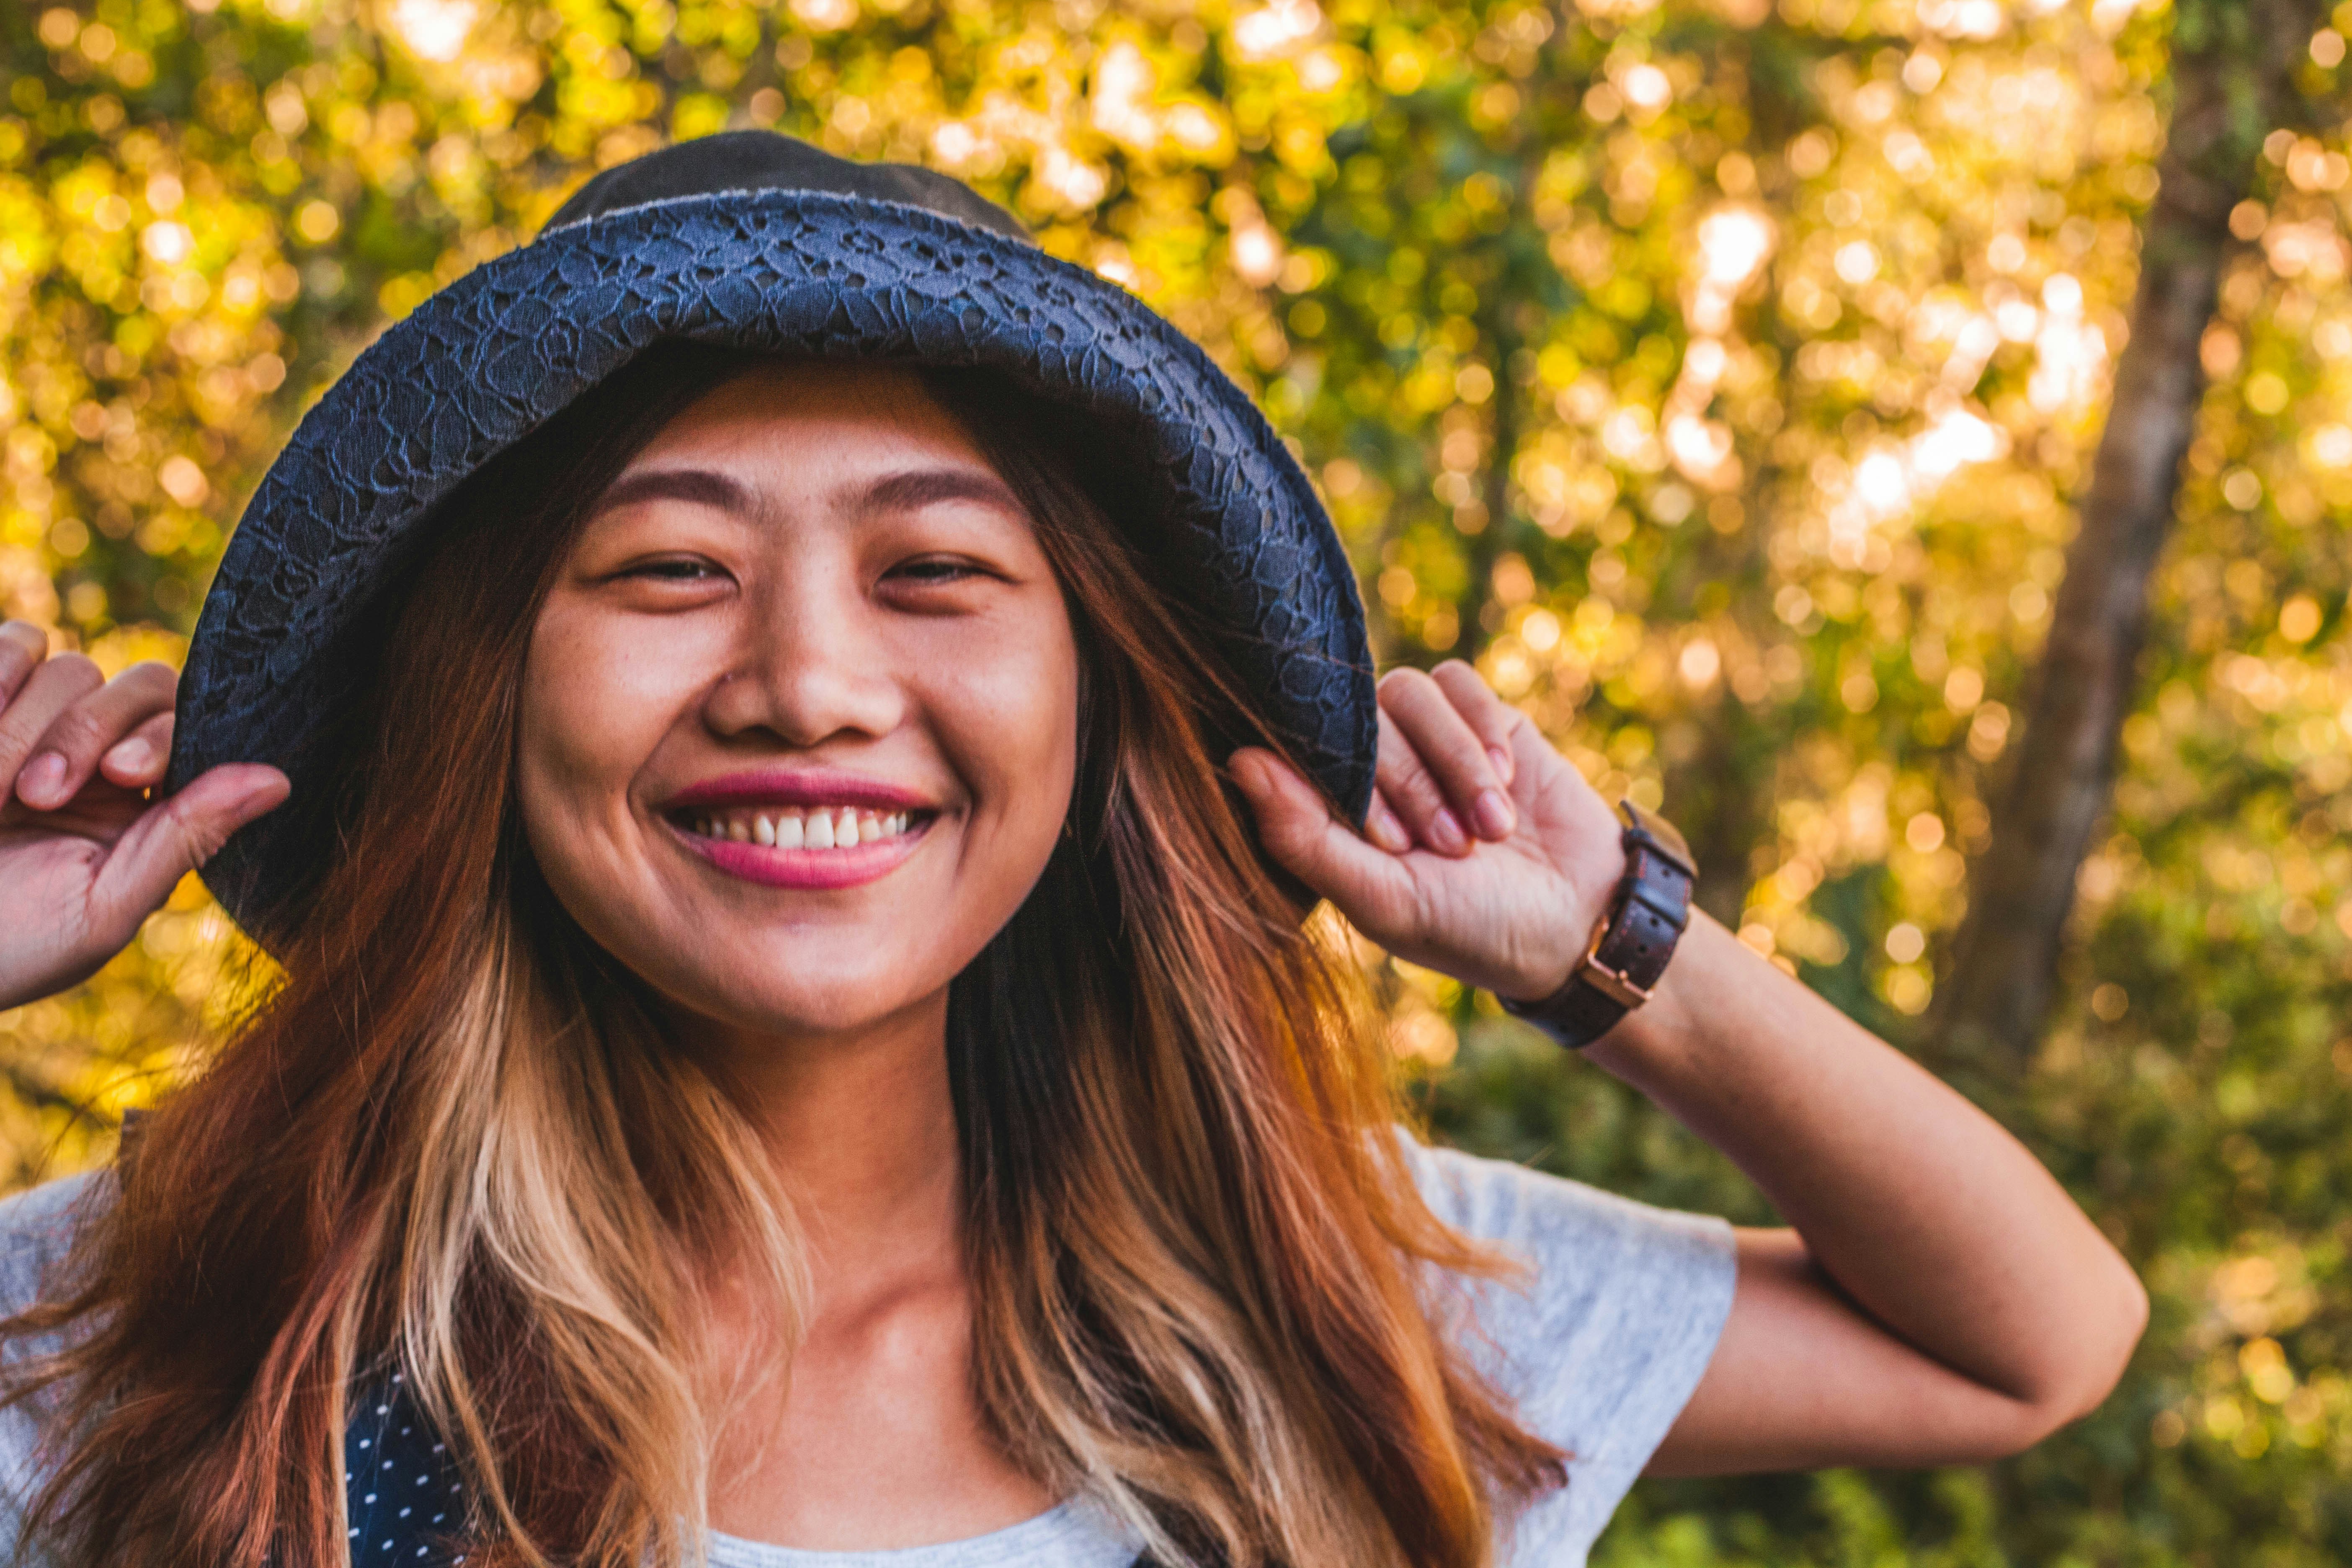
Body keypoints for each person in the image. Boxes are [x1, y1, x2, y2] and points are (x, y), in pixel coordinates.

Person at [0, 133, 2144, 1568]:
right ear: (485, 694)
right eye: (666, 570)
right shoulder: (164, 1319)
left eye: (935, 570)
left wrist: (1607, 940)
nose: (808, 681)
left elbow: (2023, 1343)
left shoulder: (1315, 1304)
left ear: (1097, 701)